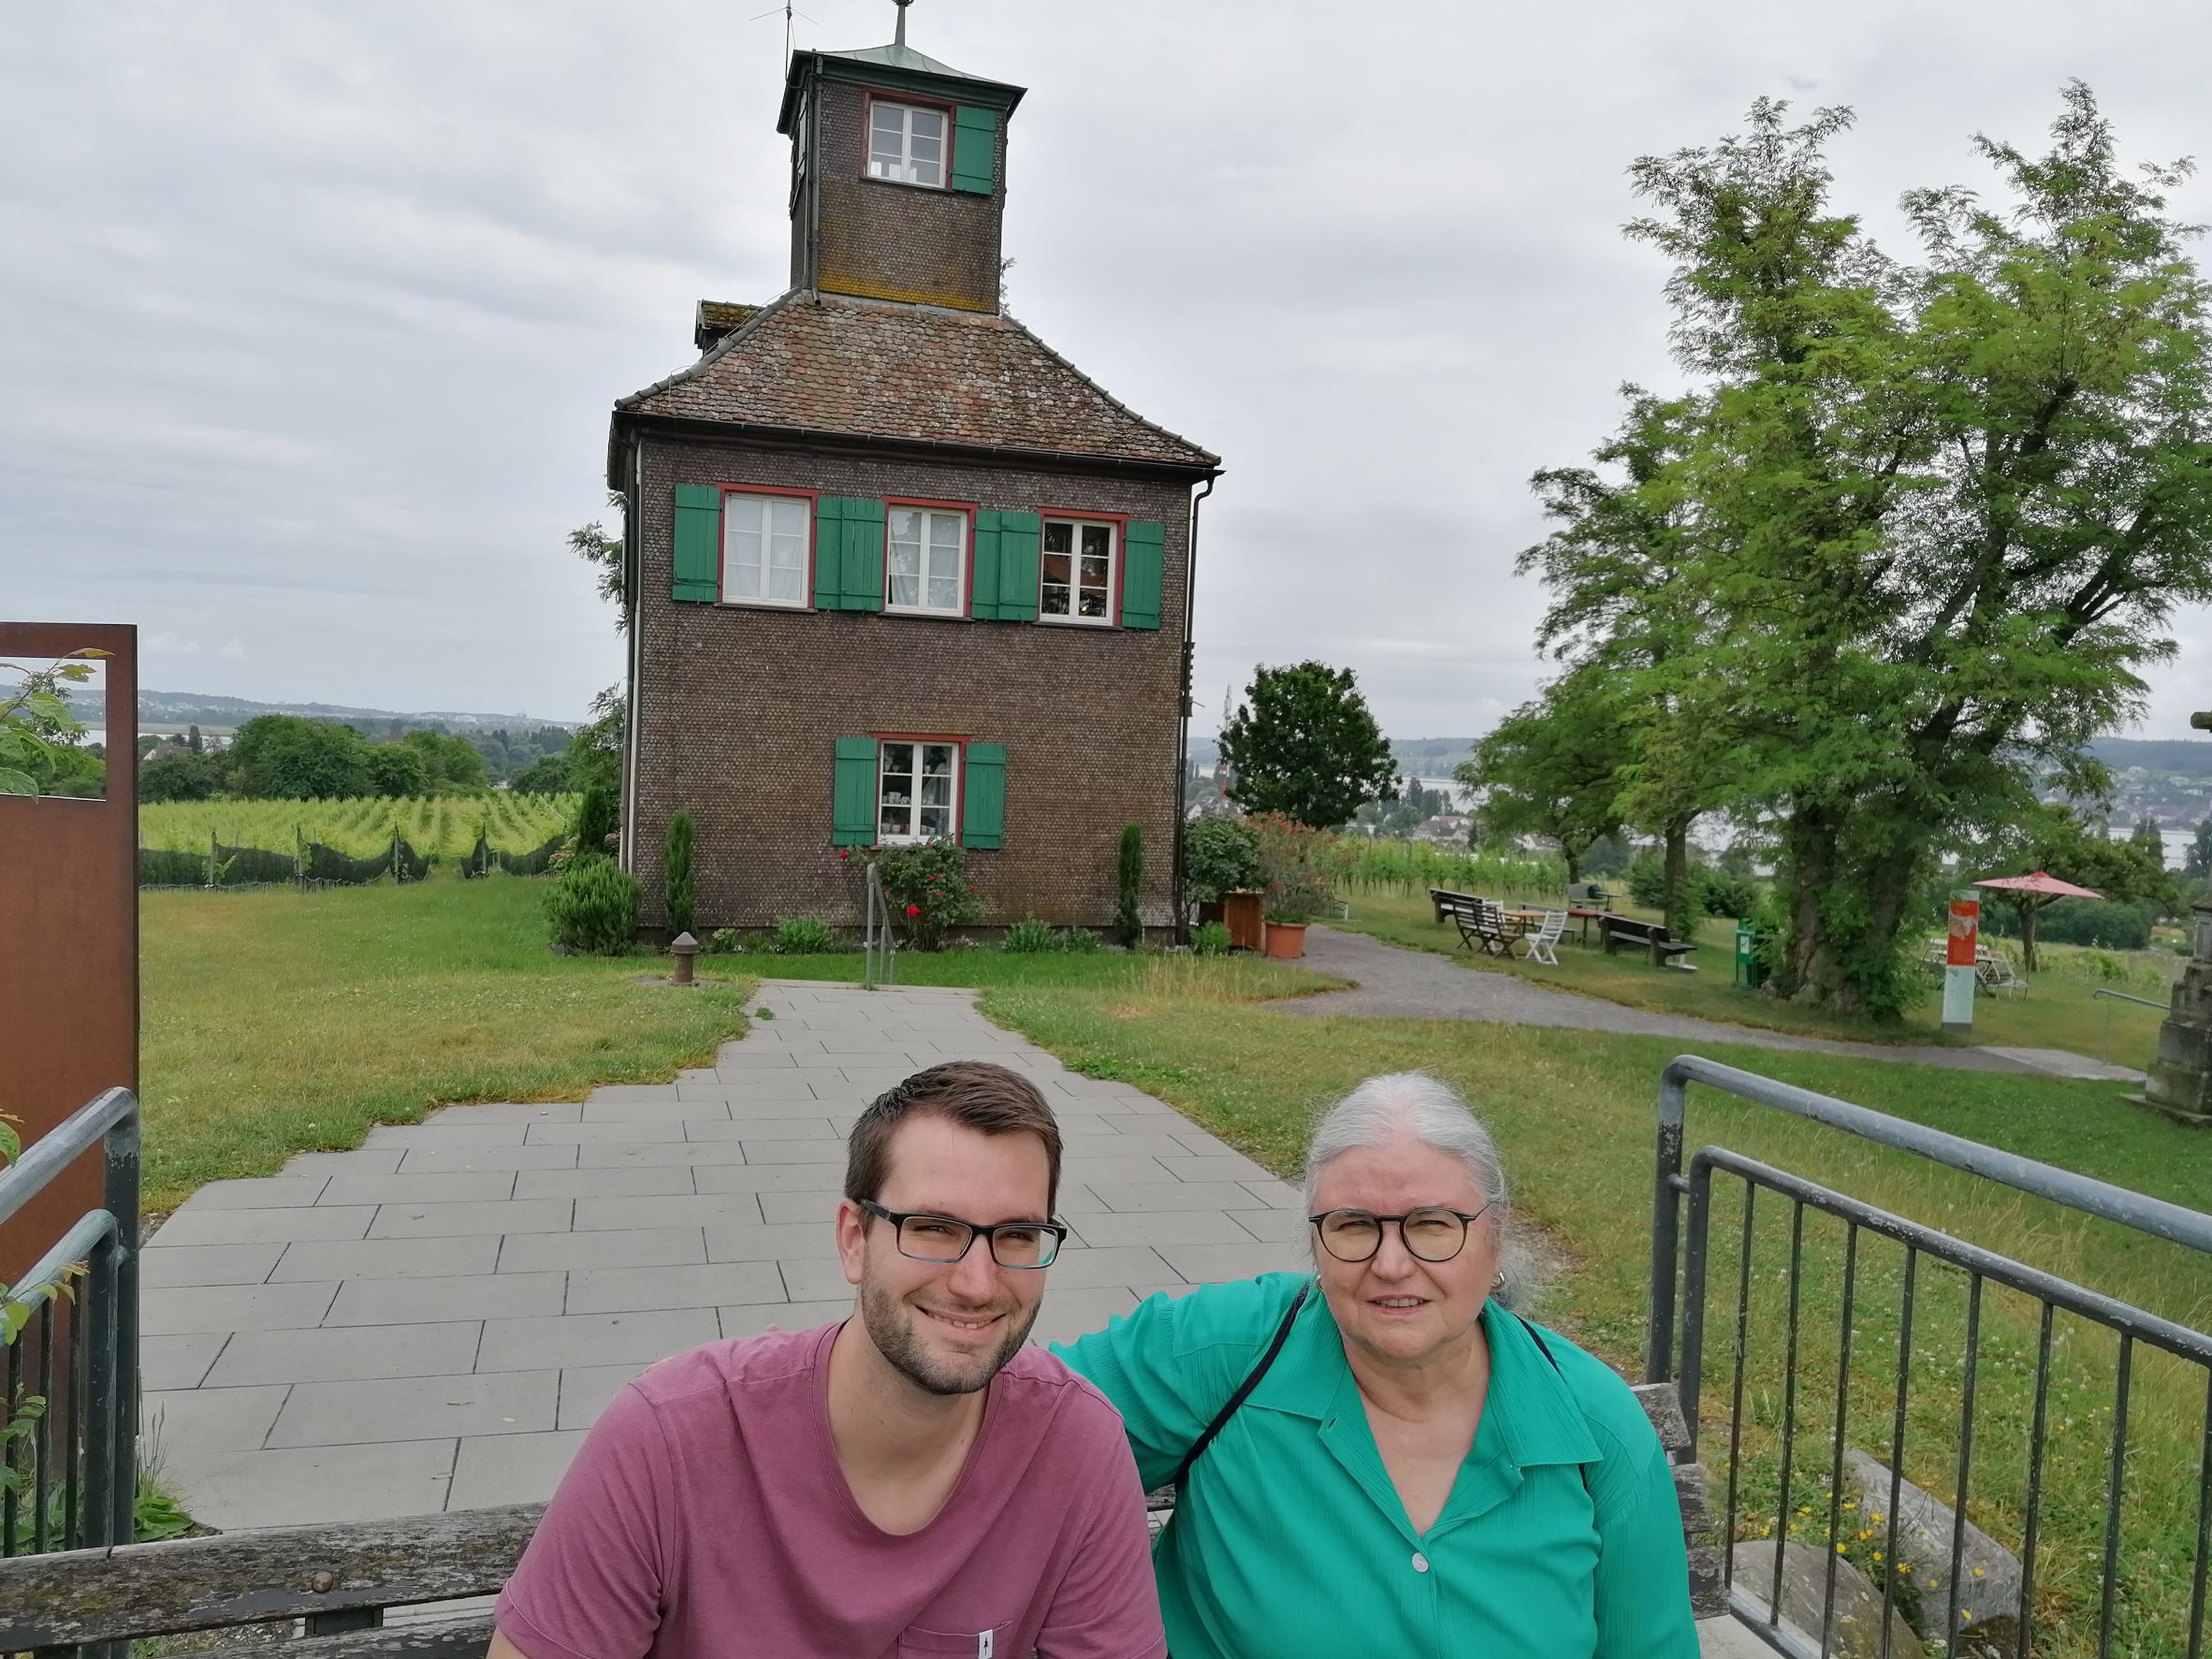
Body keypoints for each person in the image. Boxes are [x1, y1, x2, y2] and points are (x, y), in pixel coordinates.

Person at [488, 1061, 1167, 1659]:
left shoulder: (1077, 1450)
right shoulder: (669, 1440)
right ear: (853, 1239)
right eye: (933, 1228)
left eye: (1017, 1235)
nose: (977, 1282)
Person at [1055, 1071, 1699, 1659]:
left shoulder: (1598, 1431)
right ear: (1315, 1240)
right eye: (1355, 1224)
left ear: (1495, 1234)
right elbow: (1004, 1428)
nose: (1391, 1263)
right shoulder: (1224, 1353)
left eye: (1433, 1223)